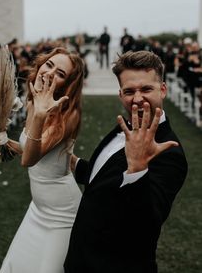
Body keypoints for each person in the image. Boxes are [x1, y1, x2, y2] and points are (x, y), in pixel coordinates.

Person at [64, 50, 188, 273]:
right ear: (121, 95)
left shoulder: (170, 153)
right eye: (130, 91)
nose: (137, 98)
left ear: (163, 90)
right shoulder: (127, 124)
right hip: (82, 257)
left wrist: (138, 167)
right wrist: (70, 161)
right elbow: (103, 178)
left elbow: (147, 223)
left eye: (146, 89)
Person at [0, 47, 85, 273]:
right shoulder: (34, 102)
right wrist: (5, 141)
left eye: (60, 73)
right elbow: (32, 149)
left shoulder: (68, 114)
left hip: (62, 213)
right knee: (16, 265)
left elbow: (30, 159)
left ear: (68, 83)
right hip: (38, 208)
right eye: (49, 65)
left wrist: (40, 115)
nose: (50, 73)